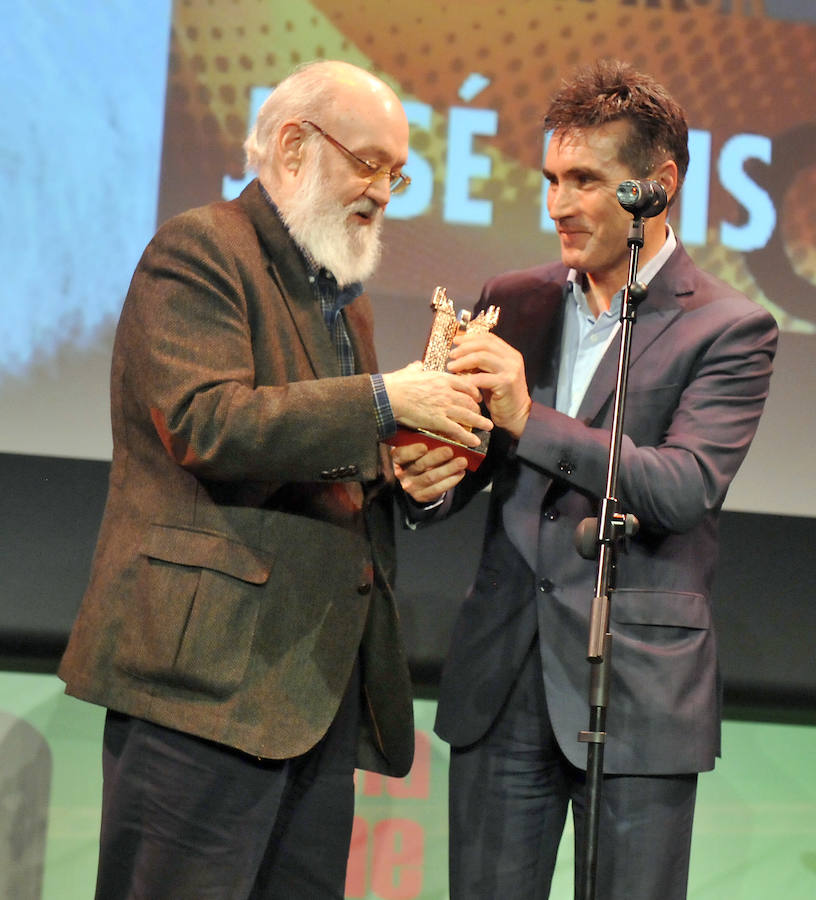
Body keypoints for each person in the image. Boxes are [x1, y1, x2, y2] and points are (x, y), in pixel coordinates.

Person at [58, 59, 492, 899]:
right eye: (370, 163)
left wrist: (406, 469)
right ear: (294, 146)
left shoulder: (343, 297)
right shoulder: (200, 249)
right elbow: (206, 423)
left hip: (310, 693)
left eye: (396, 173)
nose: (384, 191)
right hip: (205, 690)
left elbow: (330, 453)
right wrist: (381, 401)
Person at [392, 59, 778, 899]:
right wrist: (429, 478)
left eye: (586, 181)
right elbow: (480, 461)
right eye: (551, 179)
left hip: (635, 691)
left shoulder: (731, 328)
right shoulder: (514, 299)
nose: (559, 204)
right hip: (503, 683)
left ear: (658, 186)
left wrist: (528, 416)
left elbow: (680, 488)